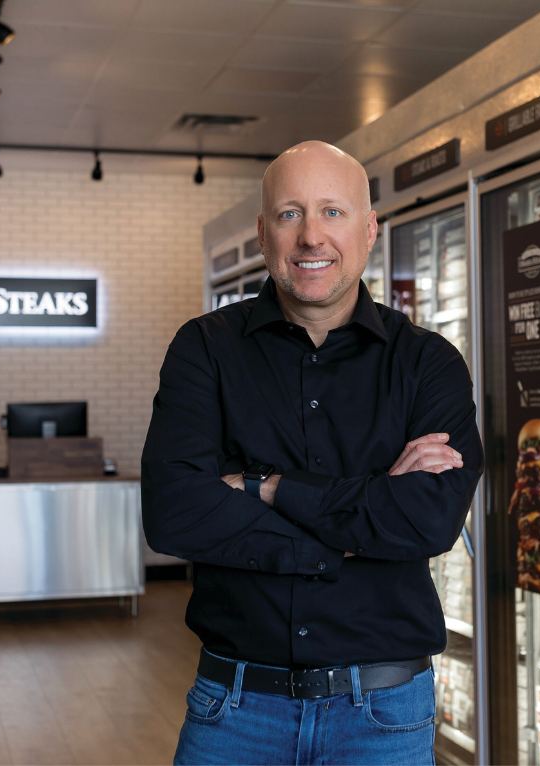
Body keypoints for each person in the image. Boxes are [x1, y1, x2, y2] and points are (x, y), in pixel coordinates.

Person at [141, 141, 484, 765]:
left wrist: (264, 487)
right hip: (233, 710)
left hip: (382, 716)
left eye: (333, 212)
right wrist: (363, 518)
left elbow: (427, 521)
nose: (311, 237)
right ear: (264, 232)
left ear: (369, 228)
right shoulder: (206, 350)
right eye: (290, 214)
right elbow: (173, 512)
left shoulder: (428, 365)